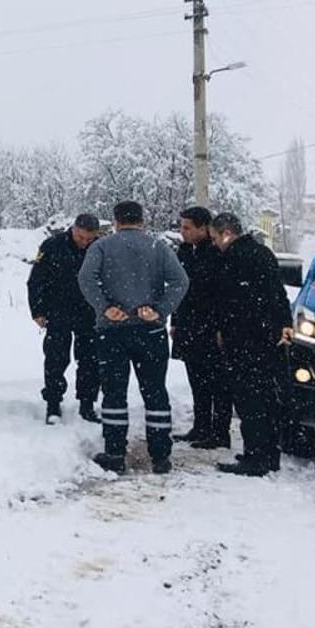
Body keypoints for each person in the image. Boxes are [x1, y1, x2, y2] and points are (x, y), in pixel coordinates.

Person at [77, 201, 189, 474]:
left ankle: (115, 452)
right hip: (150, 330)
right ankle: (160, 455)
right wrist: (160, 310)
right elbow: (180, 281)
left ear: (116, 221)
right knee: (155, 391)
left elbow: (86, 279)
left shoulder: (101, 247)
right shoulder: (157, 247)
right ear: (142, 220)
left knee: (114, 393)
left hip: (112, 330)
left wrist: (104, 307)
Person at [210, 213, 294, 476]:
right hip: (267, 338)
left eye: (215, 237)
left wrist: (223, 330)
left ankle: (255, 456)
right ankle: (269, 453)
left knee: (249, 399)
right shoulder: (262, 253)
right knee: (266, 398)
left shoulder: (233, 259)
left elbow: (229, 301)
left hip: (244, 339)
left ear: (226, 233)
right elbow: (278, 293)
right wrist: (283, 324)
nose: (214, 243)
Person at [28, 213, 103, 424]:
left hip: (90, 312)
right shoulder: (52, 245)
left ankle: (87, 404)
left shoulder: (100, 248)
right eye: (81, 237)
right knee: (56, 359)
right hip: (58, 311)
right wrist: (37, 310)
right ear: (73, 229)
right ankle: (53, 403)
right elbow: (36, 280)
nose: (84, 242)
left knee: (90, 360)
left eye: (89, 239)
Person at [170, 206, 229, 448]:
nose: (182, 231)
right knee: (197, 379)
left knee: (218, 382)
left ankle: (220, 431)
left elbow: (222, 295)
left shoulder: (216, 254)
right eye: (181, 227)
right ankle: (201, 425)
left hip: (210, 327)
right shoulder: (184, 252)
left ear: (203, 229)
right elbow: (178, 289)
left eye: (187, 227)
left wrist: (221, 327)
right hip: (189, 325)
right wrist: (175, 320)